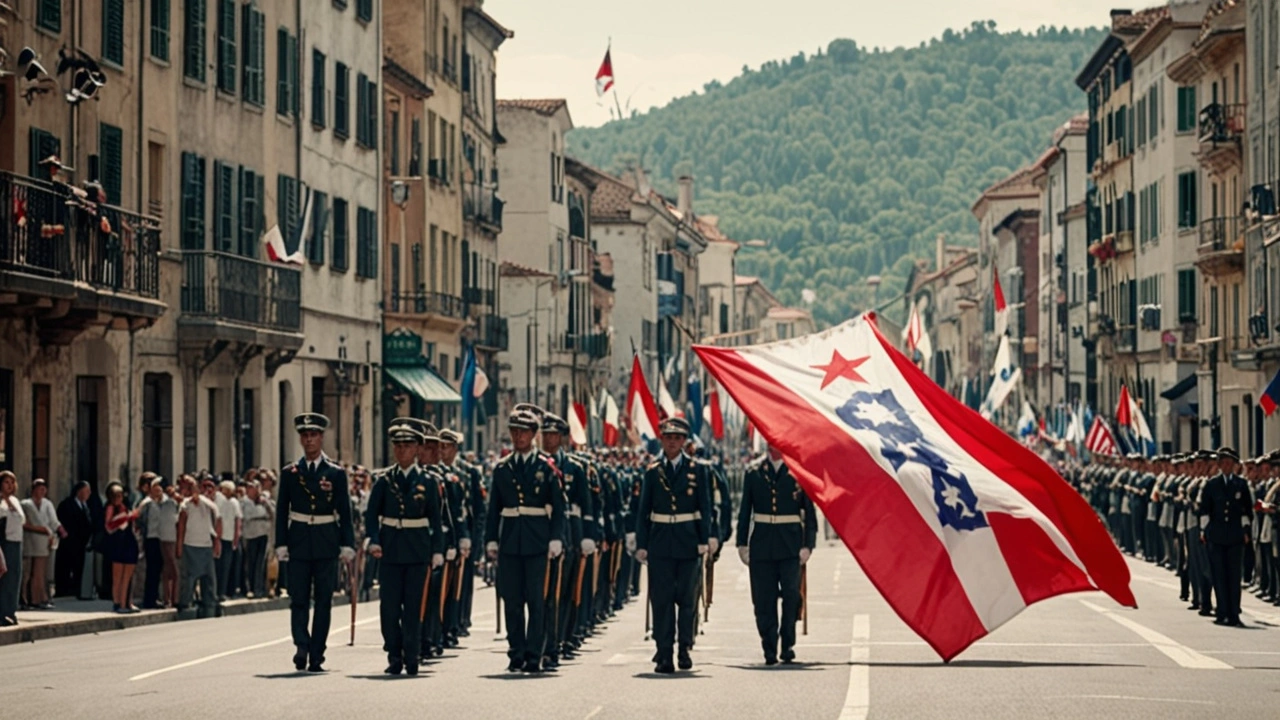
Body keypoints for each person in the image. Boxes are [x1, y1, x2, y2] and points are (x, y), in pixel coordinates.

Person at [485, 406, 566, 673]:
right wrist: (491, 540)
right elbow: (493, 509)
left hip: (537, 541)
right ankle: (515, 651)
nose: (518, 436)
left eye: (524, 432)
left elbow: (558, 508)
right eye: (514, 431)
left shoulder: (547, 467)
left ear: (533, 434)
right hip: (510, 540)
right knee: (512, 600)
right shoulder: (502, 469)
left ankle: (534, 653)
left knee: (536, 600)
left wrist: (556, 538)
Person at [275, 413, 356, 672]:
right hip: (298, 539)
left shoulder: (335, 472)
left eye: (313, 435)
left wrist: (347, 544)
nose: (309, 440)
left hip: (325, 539)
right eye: (305, 435)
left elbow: (345, 511)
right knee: (298, 598)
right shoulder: (291, 472)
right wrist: (281, 543)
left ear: (321, 437)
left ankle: (317, 653)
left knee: (323, 600)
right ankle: (302, 645)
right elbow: (281, 510)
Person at [634, 417, 715, 674]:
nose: (672, 442)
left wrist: (706, 539)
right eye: (668, 437)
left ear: (684, 442)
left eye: (677, 438)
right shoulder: (652, 470)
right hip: (660, 543)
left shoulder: (697, 470)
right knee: (662, 600)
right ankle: (665, 652)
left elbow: (705, 508)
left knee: (688, 600)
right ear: (662, 440)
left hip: (688, 541)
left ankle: (684, 647)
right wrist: (642, 543)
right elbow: (643, 511)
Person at [365, 422, 442, 675]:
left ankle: (411, 655)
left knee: (412, 607)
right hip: (390, 550)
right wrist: (373, 539)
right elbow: (371, 515)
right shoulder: (384, 480)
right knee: (389, 607)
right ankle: (393, 653)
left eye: (407, 446)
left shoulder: (429, 482)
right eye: (398, 446)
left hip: (418, 550)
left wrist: (437, 551)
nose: (402, 450)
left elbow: (436, 520)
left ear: (417, 449)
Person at [736, 447, 817, 664]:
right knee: (763, 599)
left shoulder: (798, 472)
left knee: (792, 595)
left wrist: (808, 545)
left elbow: (809, 513)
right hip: (762, 545)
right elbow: (745, 510)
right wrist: (742, 543)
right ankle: (769, 645)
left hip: (791, 546)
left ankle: (787, 642)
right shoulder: (754, 472)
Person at [1199, 447, 1252, 627]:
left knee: (1234, 576)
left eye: (1230, 463)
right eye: (1224, 463)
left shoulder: (1241, 484)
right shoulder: (1212, 484)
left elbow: (1246, 510)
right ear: (1220, 465)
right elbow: (1205, 510)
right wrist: (1204, 532)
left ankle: (1234, 613)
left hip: (1235, 535)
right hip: (1217, 535)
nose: (1227, 466)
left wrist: (1245, 531)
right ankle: (1222, 612)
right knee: (1219, 575)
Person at [177, 475, 222, 618]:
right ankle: (186, 605)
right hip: (190, 545)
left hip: (205, 545)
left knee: (208, 579)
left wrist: (217, 541)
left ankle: (209, 605)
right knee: (189, 578)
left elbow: (218, 519)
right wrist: (179, 546)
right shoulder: (185, 504)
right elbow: (181, 526)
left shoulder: (208, 504)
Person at [21, 479, 65, 609]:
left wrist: (60, 530)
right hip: (30, 539)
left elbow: (53, 520)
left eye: (44, 489)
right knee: (27, 572)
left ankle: (41, 598)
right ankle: (25, 599)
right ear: (34, 489)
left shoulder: (47, 504)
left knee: (41, 572)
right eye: (40, 488)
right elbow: (24, 522)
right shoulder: (25, 504)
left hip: (44, 541)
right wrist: (41, 529)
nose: (42, 491)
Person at [138, 477, 179, 608]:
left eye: (160, 488)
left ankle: (155, 597)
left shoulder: (164, 503)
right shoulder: (147, 503)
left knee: (158, 570)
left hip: (160, 538)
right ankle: (149, 599)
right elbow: (141, 520)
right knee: (152, 570)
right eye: (155, 488)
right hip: (151, 538)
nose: (158, 490)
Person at [103, 482, 141, 613]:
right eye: (115, 495)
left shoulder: (126, 507)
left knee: (128, 577)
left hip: (129, 542)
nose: (118, 498)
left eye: (120, 495)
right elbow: (109, 526)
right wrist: (124, 518)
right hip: (117, 543)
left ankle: (127, 602)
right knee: (117, 577)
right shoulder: (110, 508)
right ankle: (118, 602)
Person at [0, 471, 26, 626]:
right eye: (6, 482)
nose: (9, 485)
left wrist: (9, 501)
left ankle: (11, 610)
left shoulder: (15, 501)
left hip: (17, 541)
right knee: (5, 578)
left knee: (15, 577)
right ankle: (2, 611)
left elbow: (21, 519)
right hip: (5, 542)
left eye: (12, 482)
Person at [241, 481, 273, 598]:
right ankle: (250, 588)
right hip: (250, 535)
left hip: (263, 534)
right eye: (253, 488)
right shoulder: (244, 502)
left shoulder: (264, 501)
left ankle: (259, 588)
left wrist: (266, 504)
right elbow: (247, 516)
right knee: (250, 563)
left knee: (261, 563)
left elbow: (273, 514)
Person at [214, 481, 243, 600]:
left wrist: (236, 536)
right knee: (217, 567)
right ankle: (216, 592)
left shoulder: (234, 502)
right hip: (218, 537)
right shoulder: (218, 500)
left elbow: (238, 520)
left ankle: (223, 592)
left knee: (226, 567)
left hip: (229, 538)